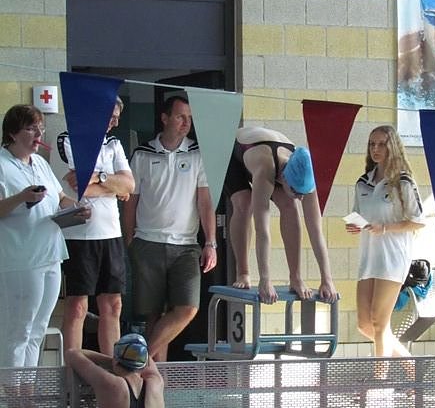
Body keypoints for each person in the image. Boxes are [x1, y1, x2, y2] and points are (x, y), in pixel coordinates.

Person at [0, 104, 90, 408]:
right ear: (13, 133)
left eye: (40, 128)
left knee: (38, 328)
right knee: (19, 329)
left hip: (50, 254)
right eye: (31, 129)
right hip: (20, 258)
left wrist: (76, 206)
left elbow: (58, 197)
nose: (39, 135)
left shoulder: (39, 163)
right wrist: (21, 197)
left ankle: (27, 392)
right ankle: (12, 396)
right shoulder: (2, 165)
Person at [122, 95, 217, 361]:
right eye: (180, 117)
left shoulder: (197, 153)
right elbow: (131, 201)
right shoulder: (142, 153)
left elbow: (205, 201)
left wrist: (210, 242)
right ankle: (155, 376)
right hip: (147, 242)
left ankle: (137, 359)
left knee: (187, 308)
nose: (186, 123)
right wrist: (129, 240)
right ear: (165, 118)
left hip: (186, 245)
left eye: (190, 118)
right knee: (153, 315)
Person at [223, 125, 337, 305]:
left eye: (303, 192)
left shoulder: (307, 177)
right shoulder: (265, 169)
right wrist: (265, 279)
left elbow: (316, 232)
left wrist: (327, 279)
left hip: (276, 152)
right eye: (296, 191)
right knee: (244, 203)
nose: (301, 197)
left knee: (290, 205)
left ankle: (295, 277)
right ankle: (242, 272)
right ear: (283, 178)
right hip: (235, 150)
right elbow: (263, 231)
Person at [57, 97, 134, 355]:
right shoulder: (68, 139)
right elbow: (80, 188)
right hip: (79, 234)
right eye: (111, 116)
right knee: (77, 307)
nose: (115, 122)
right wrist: (114, 187)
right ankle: (72, 369)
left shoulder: (113, 144)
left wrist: (99, 177)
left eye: (117, 117)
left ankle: (114, 367)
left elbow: (130, 185)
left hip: (111, 233)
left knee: (113, 305)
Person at [346, 125, 425, 359]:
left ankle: (380, 378)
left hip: (393, 257)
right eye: (372, 144)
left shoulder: (403, 182)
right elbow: (358, 214)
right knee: (364, 324)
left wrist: (385, 228)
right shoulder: (363, 182)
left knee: (380, 323)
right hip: (369, 257)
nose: (375, 149)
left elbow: (418, 221)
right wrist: (355, 224)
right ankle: (412, 366)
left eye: (381, 144)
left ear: (393, 147)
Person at [65, 333, 164, 408]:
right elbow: (147, 360)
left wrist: (111, 361)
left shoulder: (108, 382)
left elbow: (71, 354)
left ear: (115, 360)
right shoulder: (156, 383)